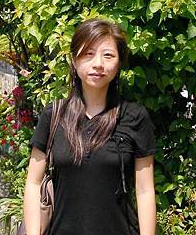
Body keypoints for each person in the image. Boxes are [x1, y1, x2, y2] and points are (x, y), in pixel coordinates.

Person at [23, 18, 157, 235]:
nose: (98, 64)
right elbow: (33, 183)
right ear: (74, 62)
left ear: (118, 64)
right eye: (88, 54)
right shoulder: (54, 115)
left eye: (108, 55)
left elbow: (144, 190)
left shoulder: (134, 117)